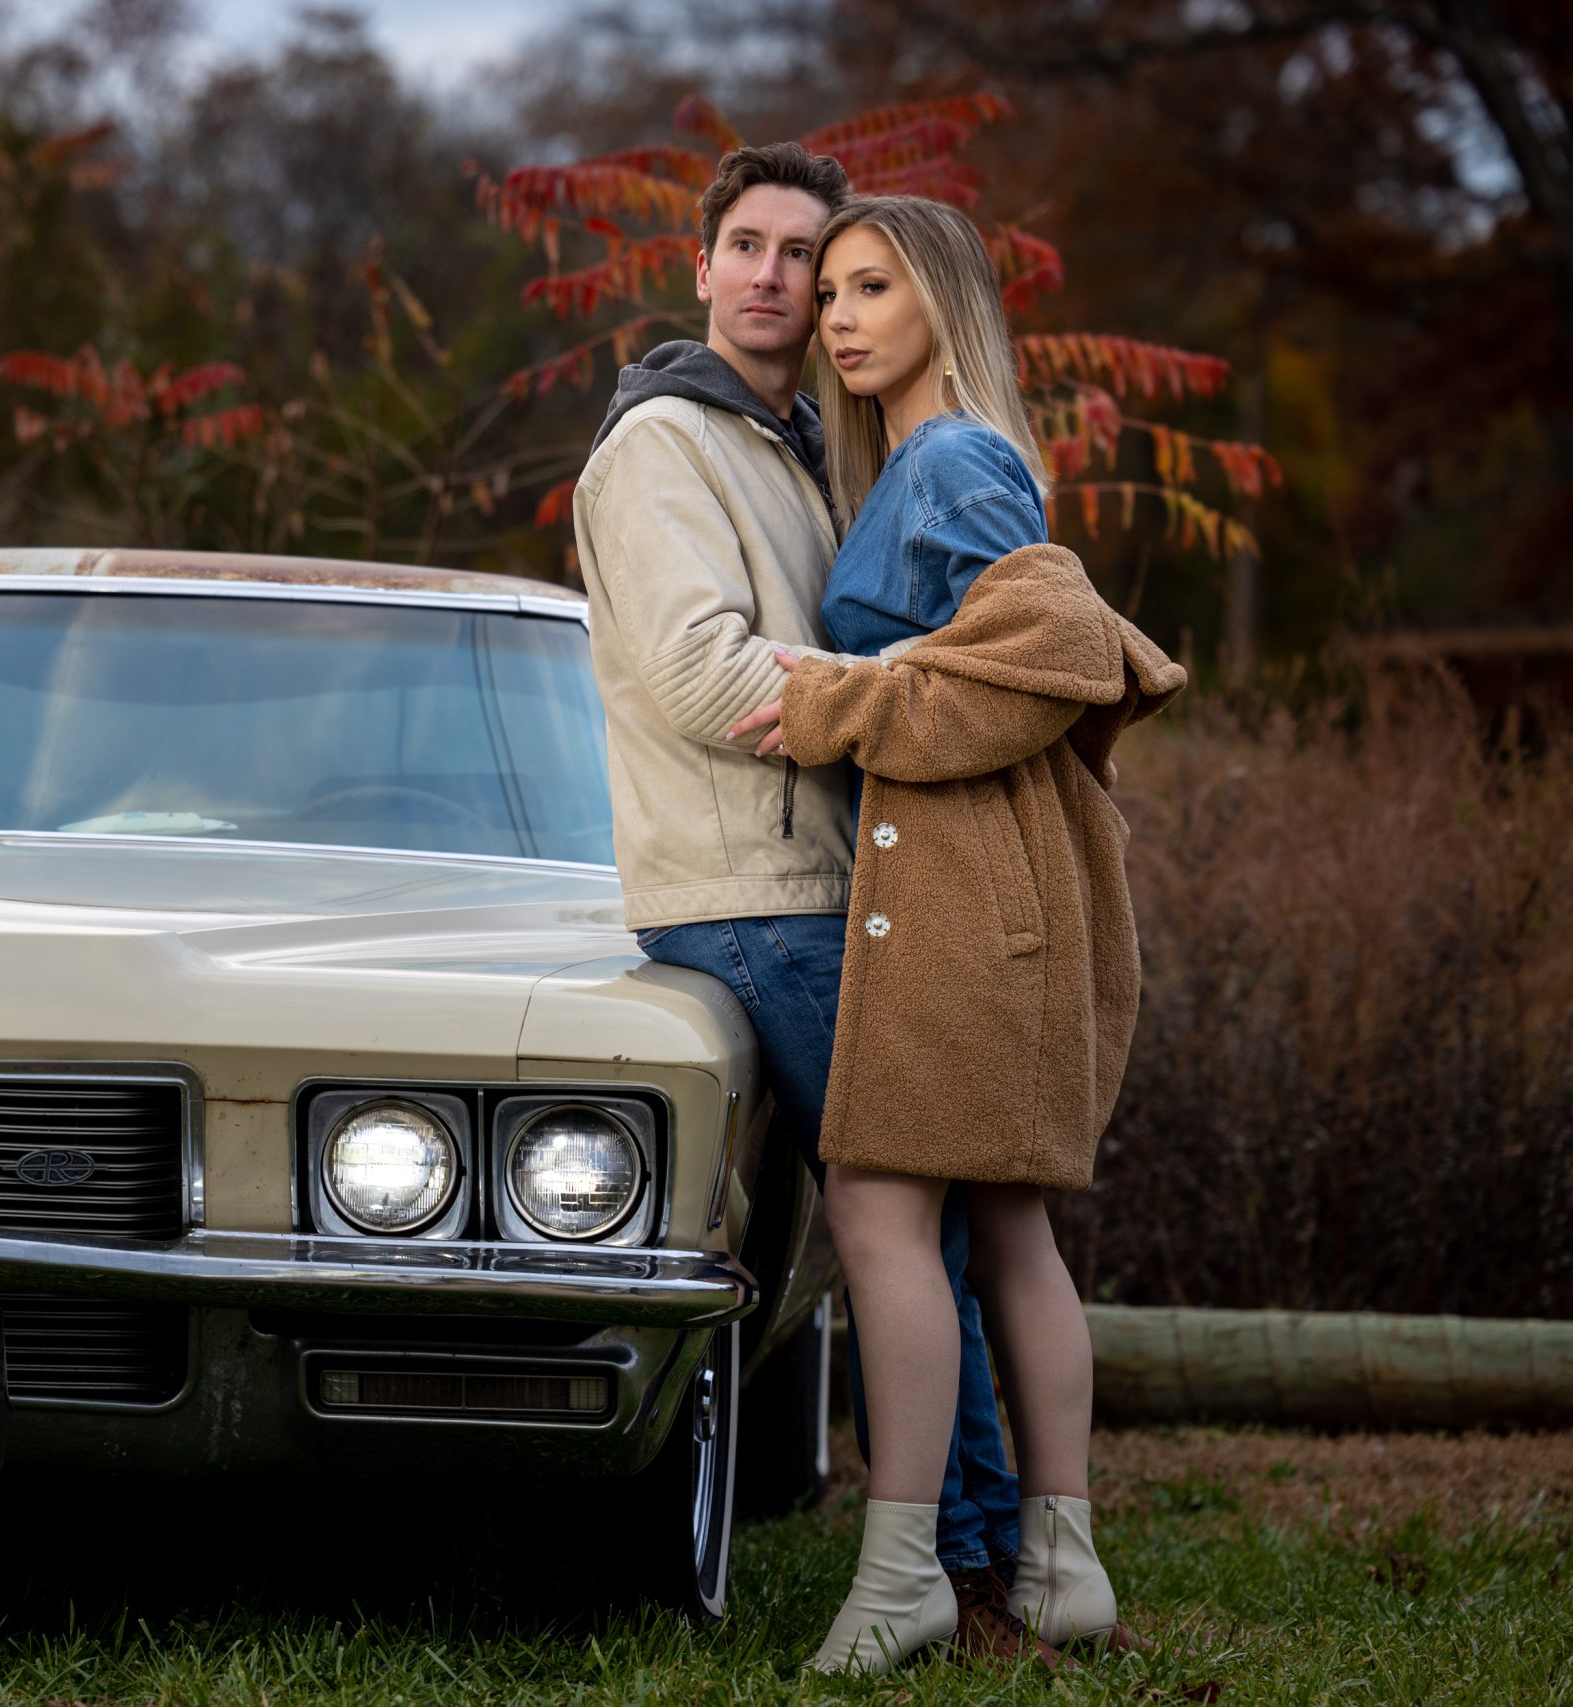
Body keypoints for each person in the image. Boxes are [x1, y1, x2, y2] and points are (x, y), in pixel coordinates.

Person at [571, 145, 1036, 1660]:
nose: (782, 281)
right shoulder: (660, 452)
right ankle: (973, 1573)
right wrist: (925, 692)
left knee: (925, 1226)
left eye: (814, 260)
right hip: (760, 897)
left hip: (843, 888)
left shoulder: (797, 447)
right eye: (753, 250)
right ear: (699, 271)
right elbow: (707, 678)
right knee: (907, 1227)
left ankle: (988, 1563)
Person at [728, 194, 1184, 1672]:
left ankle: (904, 1574)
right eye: (831, 292)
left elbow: (1051, 658)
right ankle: (1059, 1566)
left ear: (944, 302)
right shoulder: (915, 468)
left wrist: (828, 701)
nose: (836, 315)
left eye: (870, 287)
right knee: (1003, 1226)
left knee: (879, 1209)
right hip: (976, 886)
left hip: (971, 888)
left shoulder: (962, 461)